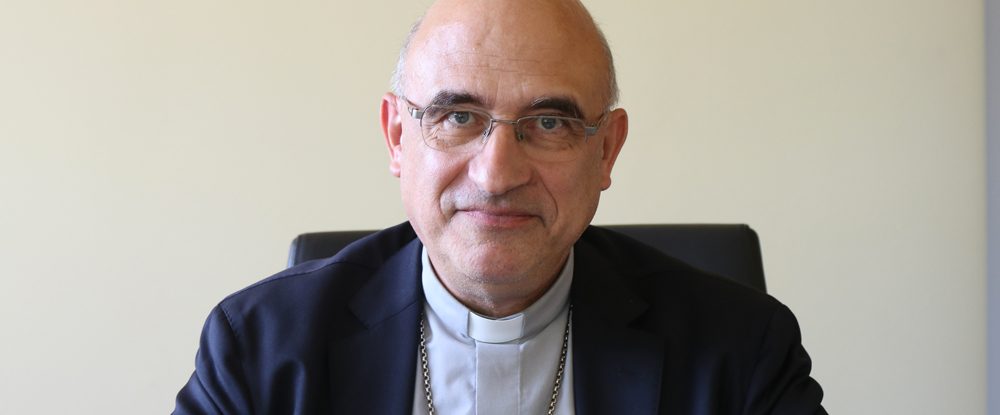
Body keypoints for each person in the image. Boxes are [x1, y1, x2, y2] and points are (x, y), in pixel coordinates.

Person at [173, 0, 826, 413]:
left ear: (606, 151)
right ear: (397, 137)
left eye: (549, 123)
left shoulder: (742, 352)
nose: (497, 174)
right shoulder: (258, 348)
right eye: (458, 116)